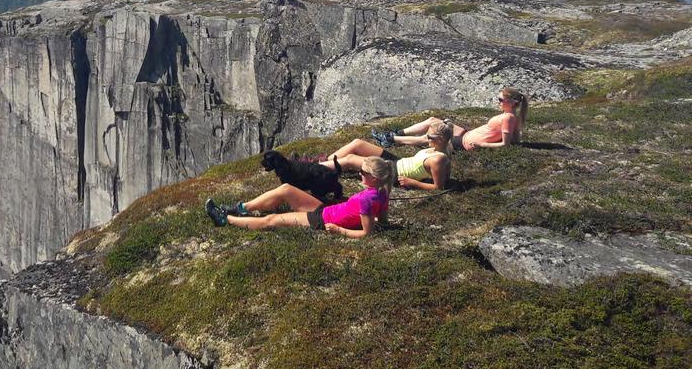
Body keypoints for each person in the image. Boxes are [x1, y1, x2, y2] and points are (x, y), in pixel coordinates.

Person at [205, 157, 394, 239]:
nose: (359, 173)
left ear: (374, 179)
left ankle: (225, 218)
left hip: (321, 219)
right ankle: (240, 208)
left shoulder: (368, 199)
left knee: (271, 221)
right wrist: (364, 216)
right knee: (286, 189)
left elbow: (366, 234)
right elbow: (382, 221)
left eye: (363, 172)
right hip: (326, 210)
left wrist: (339, 230)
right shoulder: (382, 193)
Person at [373, 88, 528, 151]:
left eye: (501, 100)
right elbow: (515, 139)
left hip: (464, 143)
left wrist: (481, 144)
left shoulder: (508, 117)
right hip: (466, 134)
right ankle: (396, 132)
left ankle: (391, 139)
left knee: (429, 138)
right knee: (433, 120)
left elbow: (506, 144)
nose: (498, 102)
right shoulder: (511, 117)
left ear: (512, 103)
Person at [320, 120, 453, 190]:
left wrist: (413, 183)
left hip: (393, 172)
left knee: (350, 160)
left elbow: (438, 187)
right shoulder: (443, 147)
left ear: (440, 140)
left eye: (429, 136)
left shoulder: (437, 160)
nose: (426, 138)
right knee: (358, 143)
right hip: (398, 162)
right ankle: (327, 162)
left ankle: (314, 168)